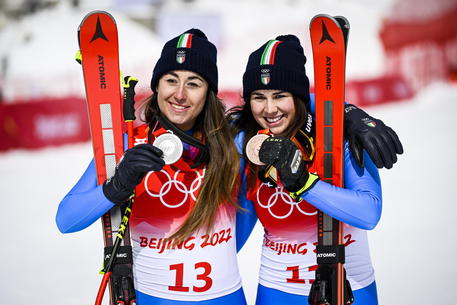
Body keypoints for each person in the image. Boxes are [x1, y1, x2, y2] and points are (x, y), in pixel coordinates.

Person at [56, 29, 250, 305]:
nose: (180, 94)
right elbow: (66, 219)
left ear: (209, 93)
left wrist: (214, 252)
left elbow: (245, 217)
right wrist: (118, 185)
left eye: (194, 83)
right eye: (171, 80)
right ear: (157, 85)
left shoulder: (233, 145)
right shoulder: (126, 144)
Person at [230, 34, 402, 305]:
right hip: (276, 291)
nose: (269, 108)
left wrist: (305, 185)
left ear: (298, 97)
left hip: (349, 288)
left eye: (280, 95)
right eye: (258, 97)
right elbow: (231, 240)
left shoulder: (339, 135)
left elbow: (369, 213)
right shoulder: (246, 142)